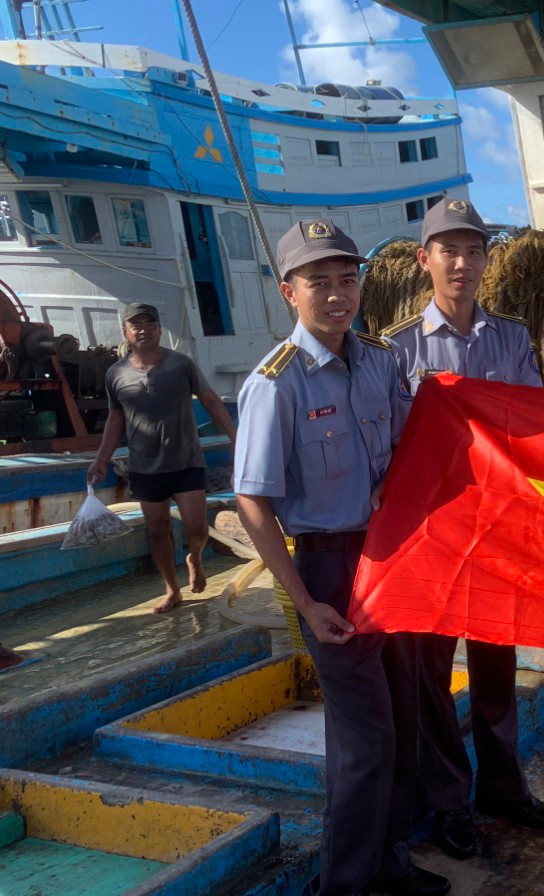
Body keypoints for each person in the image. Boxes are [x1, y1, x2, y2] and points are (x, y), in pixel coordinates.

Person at [234, 219, 449, 896]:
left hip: (392, 559)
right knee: (364, 743)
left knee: (405, 722)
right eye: (318, 281)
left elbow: (414, 443)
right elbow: (253, 504)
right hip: (330, 570)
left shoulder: (380, 361)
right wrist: (306, 601)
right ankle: (346, 884)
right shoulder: (277, 383)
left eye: (346, 278)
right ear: (287, 291)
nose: (336, 294)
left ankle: (389, 864)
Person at [382, 197, 544, 861]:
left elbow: (538, 427)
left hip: (497, 532)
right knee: (432, 676)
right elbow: (388, 446)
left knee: (495, 665)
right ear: (424, 259)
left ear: (487, 260)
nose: (461, 263)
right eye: (447, 250)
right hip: (431, 536)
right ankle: (449, 801)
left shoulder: (510, 340)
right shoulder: (396, 347)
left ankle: (504, 787)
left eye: (473, 250)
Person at [87, 302, 236, 614]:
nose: (143, 329)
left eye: (149, 324)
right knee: (158, 530)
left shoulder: (181, 364)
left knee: (196, 527)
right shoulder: (116, 374)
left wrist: (236, 437)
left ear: (159, 328)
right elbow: (116, 419)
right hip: (144, 467)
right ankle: (172, 590)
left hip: (186, 461)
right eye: (136, 325)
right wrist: (102, 458)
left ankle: (194, 556)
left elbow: (209, 400)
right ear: (125, 331)